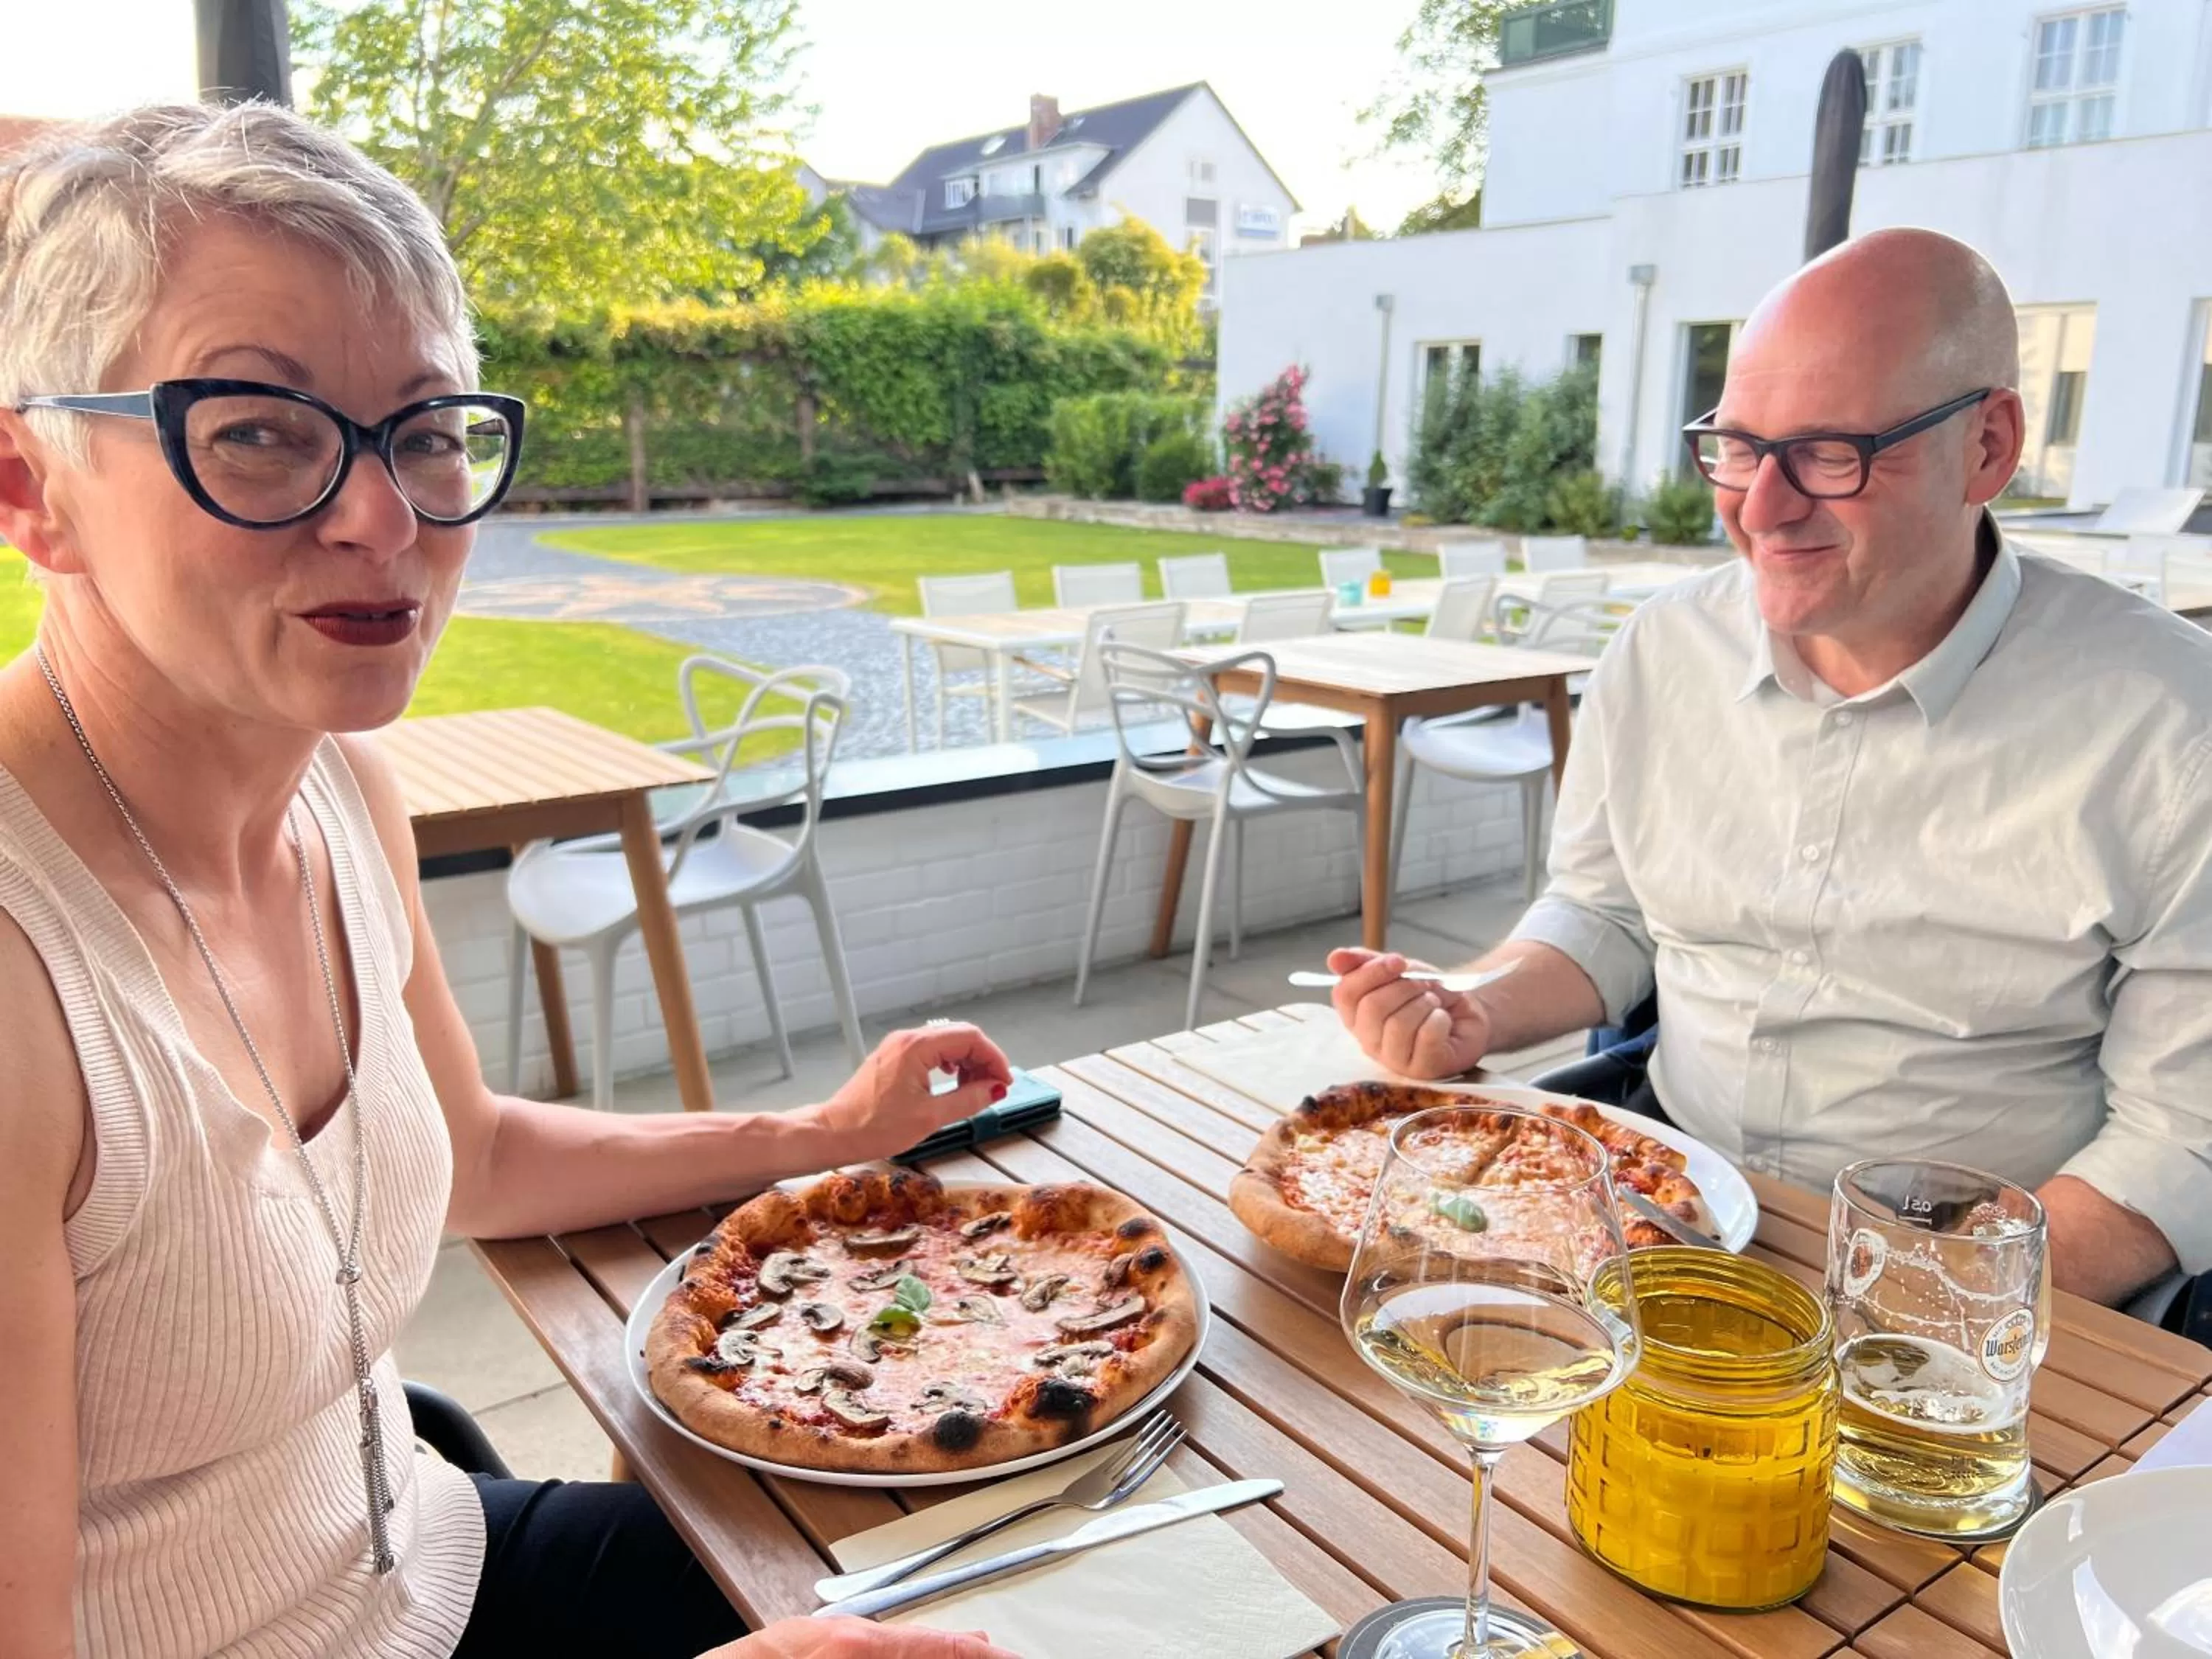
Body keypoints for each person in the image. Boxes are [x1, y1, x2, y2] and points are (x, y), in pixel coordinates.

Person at [0, 103, 1023, 1659]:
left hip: (439, 1565)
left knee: (1006, 1554)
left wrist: (818, 1136)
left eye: (422, 430)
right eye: (259, 428)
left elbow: (473, 1157)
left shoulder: (343, 792)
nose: (384, 519)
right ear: (31, 490)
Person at [1331, 228, 2212, 1315]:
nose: (1760, 507)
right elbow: (1605, 911)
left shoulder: (2175, 722)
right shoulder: (1661, 650)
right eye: (1740, 446)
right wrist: (1476, 1004)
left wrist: (1933, 1300)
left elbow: (2181, 1138)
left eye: (1832, 452)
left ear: (1988, 446)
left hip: (1985, 1290)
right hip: (1658, 1212)